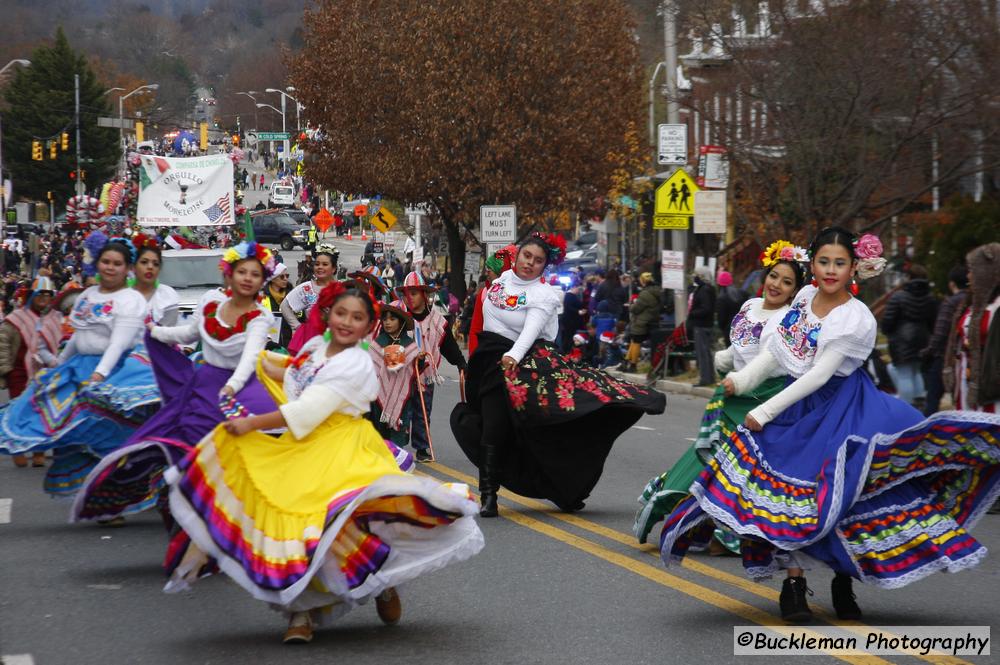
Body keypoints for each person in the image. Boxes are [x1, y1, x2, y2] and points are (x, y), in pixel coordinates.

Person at [657, 227, 1000, 624]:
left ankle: (843, 577)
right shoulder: (802, 298)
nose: (830, 270)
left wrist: (764, 411)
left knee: (843, 494)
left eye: (839, 262)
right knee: (790, 500)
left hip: (842, 409)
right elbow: (778, 353)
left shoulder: (856, 318)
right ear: (813, 264)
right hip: (795, 406)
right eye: (823, 262)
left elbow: (818, 376)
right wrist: (743, 380)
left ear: (854, 266)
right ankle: (794, 585)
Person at [162, 282, 484, 644]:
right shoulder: (316, 348)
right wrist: (247, 358)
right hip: (302, 446)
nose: (347, 322)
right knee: (299, 529)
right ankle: (301, 612)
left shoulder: (357, 362)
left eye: (358, 317)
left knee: (344, 522)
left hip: (345, 448)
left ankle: (382, 584)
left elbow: (307, 408)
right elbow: (296, 372)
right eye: (341, 313)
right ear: (327, 313)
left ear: (367, 326)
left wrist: (250, 423)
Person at [450, 233, 666, 517]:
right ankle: (488, 495)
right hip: (492, 364)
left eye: (538, 260)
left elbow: (531, 329)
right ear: (516, 256)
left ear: (544, 266)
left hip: (526, 366)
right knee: (492, 426)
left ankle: (562, 486)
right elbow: (485, 322)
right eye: (527, 256)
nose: (530, 263)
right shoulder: (497, 285)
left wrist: (513, 355)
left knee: (542, 430)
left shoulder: (544, 294)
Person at [72, 242, 280, 524]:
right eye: (242, 271)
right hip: (204, 385)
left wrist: (232, 386)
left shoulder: (260, 317)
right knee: (183, 442)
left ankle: (230, 513)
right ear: (229, 274)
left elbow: (250, 357)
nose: (247, 278)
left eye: (255, 275)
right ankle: (180, 499)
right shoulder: (210, 302)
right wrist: (156, 332)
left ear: (262, 281)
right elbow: (188, 333)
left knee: (247, 448)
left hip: (240, 389)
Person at [634, 240, 807, 552]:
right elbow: (738, 348)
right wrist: (720, 361)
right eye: (774, 276)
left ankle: (727, 533)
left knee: (730, 467)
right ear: (765, 275)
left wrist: (738, 381)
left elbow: (768, 363)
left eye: (787, 282)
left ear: (795, 291)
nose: (777, 285)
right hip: (733, 391)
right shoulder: (749, 306)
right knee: (712, 463)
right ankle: (701, 526)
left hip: (758, 397)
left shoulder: (787, 321)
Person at [0, 232, 159, 496]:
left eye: (117, 264)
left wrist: (99, 376)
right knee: (61, 424)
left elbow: (118, 343)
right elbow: (78, 337)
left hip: (115, 374)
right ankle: (97, 491)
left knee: (108, 433)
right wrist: (58, 364)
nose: (110, 267)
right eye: (106, 261)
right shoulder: (87, 296)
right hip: (79, 369)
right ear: (97, 262)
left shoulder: (131, 300)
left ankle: (118, 493)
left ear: (127, 269)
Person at [391, 269, 467, 462]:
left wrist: (460, 363)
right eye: (406, 294)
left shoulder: (438, 322)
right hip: (401, 376)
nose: (409, 298)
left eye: (414, 293)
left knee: (423, 413)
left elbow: (448, 346)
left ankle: (422, 447)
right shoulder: (397, 318)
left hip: (426, 376)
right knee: (400, 412)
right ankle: (396, 446)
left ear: (424, 295)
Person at [0, 276, 62, 468]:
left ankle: (38, 452)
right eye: (40, 294)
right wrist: (6, 369)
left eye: (48, 295)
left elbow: (59, 343)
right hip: (19, 372)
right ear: (32, 295)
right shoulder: (16, 318)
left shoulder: (54, 319)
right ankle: (18, 449)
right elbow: (3, 343)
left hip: (45, 372)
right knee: (19, 411)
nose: (43, 299)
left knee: (41, 411)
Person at [946, 243, 1000, 414]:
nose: (968, 276)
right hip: (966, 383)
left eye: (973, 270)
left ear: (988, 273)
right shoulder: (969, 305)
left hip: (992, 391)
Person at [882, 264, 938, 407]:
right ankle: (920, 404)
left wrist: (888, 331)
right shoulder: (930, 298)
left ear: (908, 277)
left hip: (901, 341)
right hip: (923, 339)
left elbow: (888, 321)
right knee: (917, 372)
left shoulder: (898, 297)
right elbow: (933, 323)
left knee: (904, 374)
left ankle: (907, 407)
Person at [369, 304, 421, 448]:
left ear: (401, 321)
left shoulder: (410, 345)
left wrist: (420, 360)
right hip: (379, 395)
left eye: (392, 319)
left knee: (399, 430)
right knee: (379, 432)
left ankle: (397, 459)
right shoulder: (377, 343)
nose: (387, 322)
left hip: (401, 395)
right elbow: (371, 369)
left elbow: (416, 371)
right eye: (385, 319)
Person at [921, 265, 968, 415]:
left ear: (952, 283)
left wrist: (928, 352)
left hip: (945, 356)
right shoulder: (975, 300)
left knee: (933, 399)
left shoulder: (950, 303)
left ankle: (926, 431)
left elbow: (941, 332)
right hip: (966, 356)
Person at [282, 243, 337, 353]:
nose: (320, 267)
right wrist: (298, 327)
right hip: (312, 341)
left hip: (335, 339)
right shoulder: (306, 288)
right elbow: (285, 306)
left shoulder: (341, 289)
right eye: (317, 264)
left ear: (334, 269)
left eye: (325, 264)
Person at [128, 233, 179, 326]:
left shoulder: (167, 295)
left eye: (155, 264)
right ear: (133, 267)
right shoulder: (122, 295)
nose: (150, 267)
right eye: (144, 262)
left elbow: (167, 333)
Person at [618, 272, 661, 373]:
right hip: (652, 319)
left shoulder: (645, 293)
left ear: (643, 281)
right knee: (634, 340)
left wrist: (631, 305)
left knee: (636, 341)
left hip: (643, 321)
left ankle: (633, 365)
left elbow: (636, 309)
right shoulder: (656, 290)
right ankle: (626, 361)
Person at [688, 267, 717, 386]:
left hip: (702, 325)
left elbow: (706, 308)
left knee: (703, 353)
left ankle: (705, 379)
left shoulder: (704, 290)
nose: (694, 277)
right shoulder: (707, 288)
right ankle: (709, 377)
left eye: (696, 275)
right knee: (705, 353)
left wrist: (692, 313)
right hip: (704, 324)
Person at [261, 262, 291, 349]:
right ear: (273, 279)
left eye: (287, 276)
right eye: (282, 277)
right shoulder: (262, 298)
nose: (285, 279)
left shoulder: (292, 295)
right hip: (269, 345)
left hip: (290, 344)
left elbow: (300, 318)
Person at [715, 270, 748, 341]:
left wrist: (722, 328)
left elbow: (721, 318)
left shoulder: (722, 298)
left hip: (728, 330)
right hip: (742, 328)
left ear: (719, 284)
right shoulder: (742, 294)